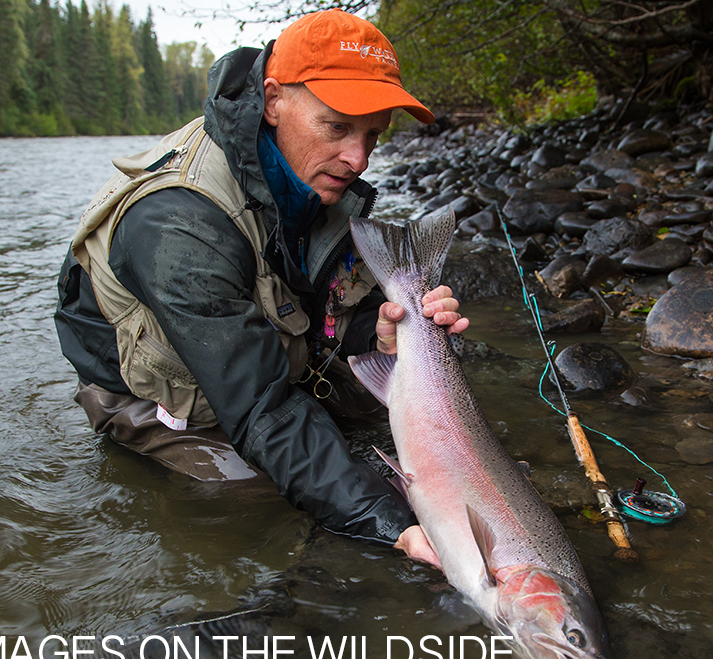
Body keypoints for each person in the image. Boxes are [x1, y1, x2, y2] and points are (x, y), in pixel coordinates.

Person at [54, 10, 466, 567]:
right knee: (259, 493)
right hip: (155, 395)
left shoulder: (309, 174)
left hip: (270, 350)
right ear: (273, 101)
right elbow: (261, 407)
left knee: (380, 415)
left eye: (373, 134)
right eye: (338, 127)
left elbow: (335, 302)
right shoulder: (179, 225)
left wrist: (382, 334)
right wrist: (389, 524)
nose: (359, 159)